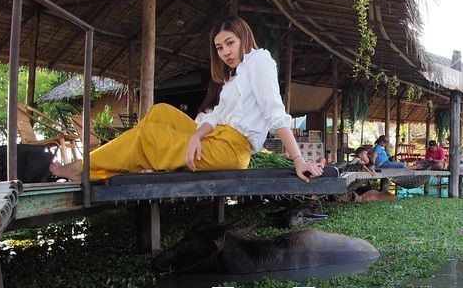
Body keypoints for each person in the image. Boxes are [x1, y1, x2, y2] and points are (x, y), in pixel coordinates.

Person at [51, 17, 324, 183]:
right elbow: (215, 115)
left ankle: (83, 168)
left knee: (148, 134)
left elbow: (274, 112)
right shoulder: (233, 76)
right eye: (219, 48)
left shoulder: (259, 60)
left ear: (243, 38)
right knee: (159, 112)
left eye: (230, 43)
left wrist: (298, 159)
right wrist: (196, 135)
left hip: (232, 150)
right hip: (216, 136)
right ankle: (100, 166)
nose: (226, 52)